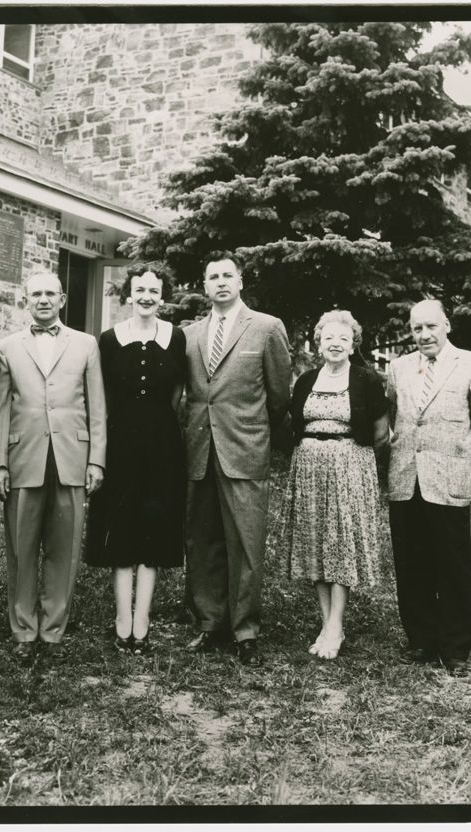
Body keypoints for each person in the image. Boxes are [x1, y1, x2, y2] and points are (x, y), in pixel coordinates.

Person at [0, 272, 107, 664]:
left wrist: (96, 460)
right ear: (26, 300)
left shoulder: (86, 344)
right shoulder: (6, 348)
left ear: (63, 298)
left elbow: (97, 408)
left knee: (64, 547)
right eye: (35, 293)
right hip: (23, 460)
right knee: (21, 549)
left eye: (50, 293)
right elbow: (0, 410)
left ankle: (53, 629)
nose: (43, 299)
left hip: (72, 459)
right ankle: (23, 629)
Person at [182, 251, 291, 666]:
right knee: (203, 539)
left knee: (246, 544)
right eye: (213, 277)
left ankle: (245, 631)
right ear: (205, 286)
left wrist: (253, 432)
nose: (221, 282)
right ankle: (211, 624)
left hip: (244, 451)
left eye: (229, 275)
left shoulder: (265, 328)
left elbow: (279, 395)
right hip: (199, 451)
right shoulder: (190, 334)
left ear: (241, 281)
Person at [386, 299, 471, 678]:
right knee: (410, 562)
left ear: (446, 325)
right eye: (417, 328)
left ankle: (455, 650)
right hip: (405, 480)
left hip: (449, 479)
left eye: (431, 327)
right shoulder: (398, 368)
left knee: (451, 565)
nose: (424, 335)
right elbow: (395, 420)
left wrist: (463, 461)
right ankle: (420, 639)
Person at [84, 265, 186, 654]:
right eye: (139, 289)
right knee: (122, 526)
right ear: (129, 294)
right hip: (120, 444)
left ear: (163, 296)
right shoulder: (108, 340)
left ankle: (142, 618)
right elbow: (102, 396)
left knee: (153, 528)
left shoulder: (175, 338)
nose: (146, 296)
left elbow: (177, 393)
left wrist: (159, 426)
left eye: (153, 290)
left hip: (162, 447)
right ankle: (121, 619)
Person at [279, 310, 389, 660]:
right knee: (316, 545)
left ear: (353, 343)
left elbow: (381, 433)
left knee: (340, 545)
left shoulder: (367, 380)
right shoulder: (306, 380)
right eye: (329, 337)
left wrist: (347, 457)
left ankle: (336, 626)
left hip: (348, 468)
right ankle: (327, 623)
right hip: (309, 469)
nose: (335, 343)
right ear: (318, 342)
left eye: (343, 338)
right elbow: (294, 425)